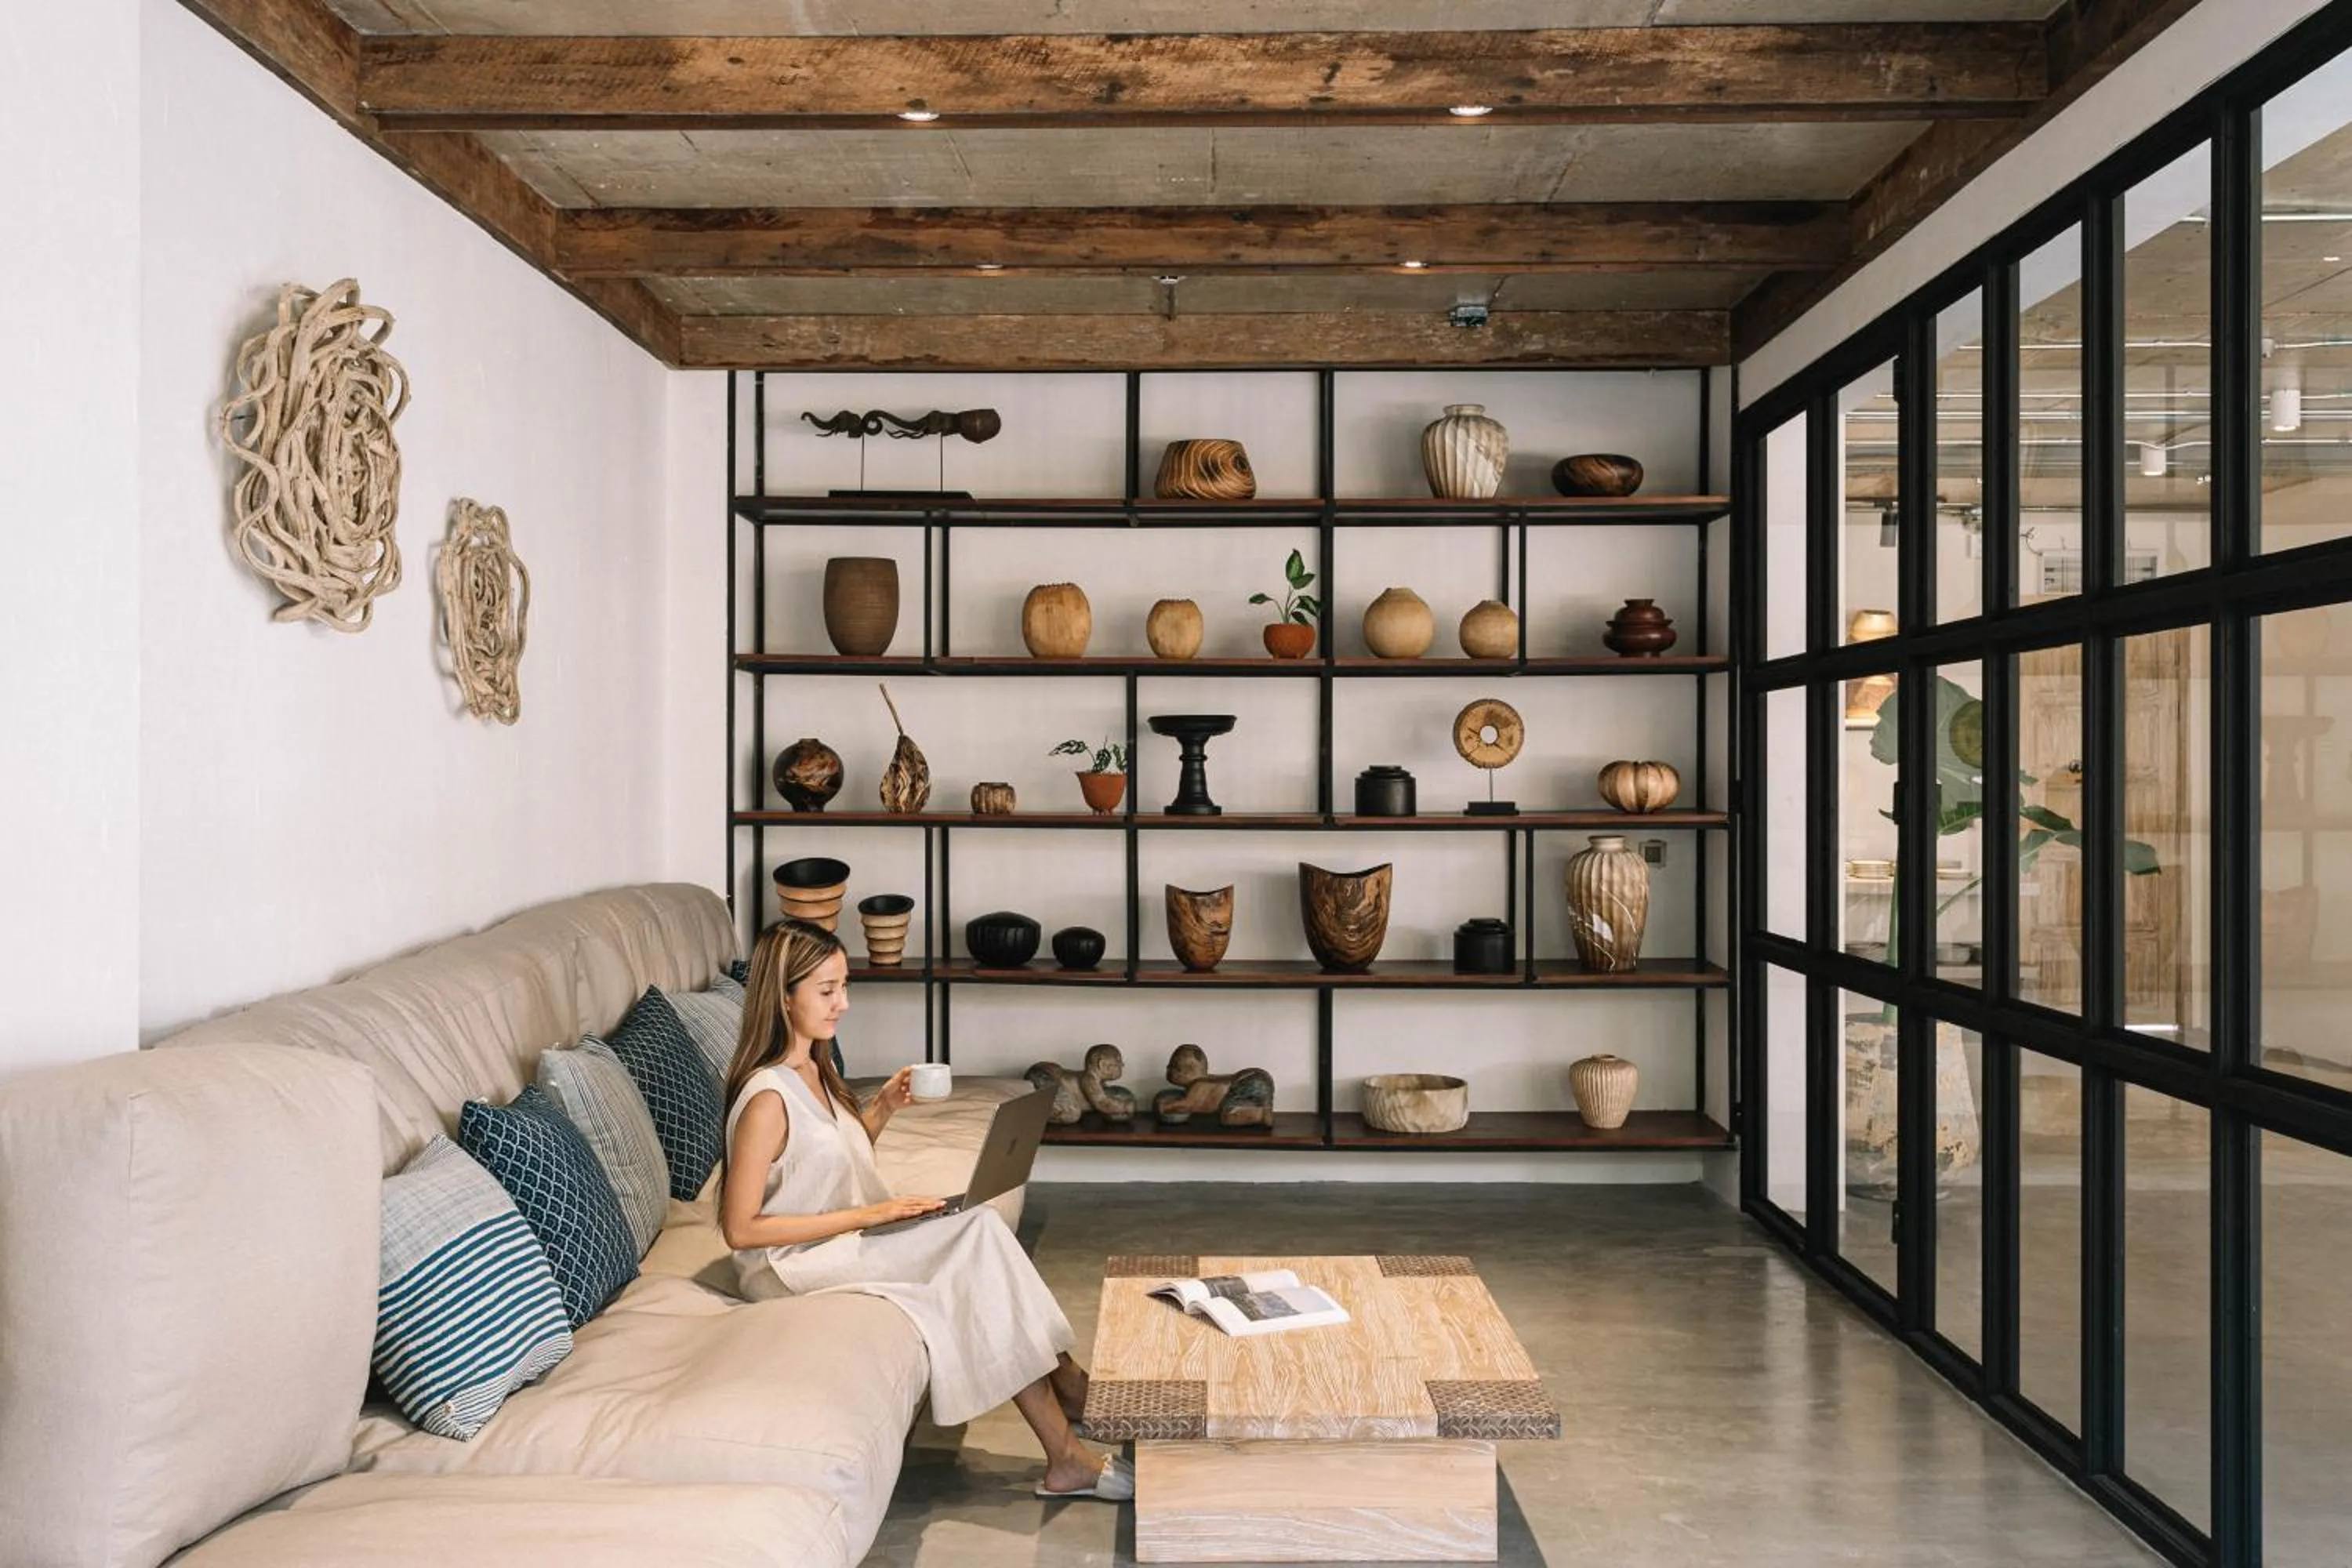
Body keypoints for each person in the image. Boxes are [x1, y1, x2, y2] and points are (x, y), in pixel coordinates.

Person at [718, 917, 1130, 1501]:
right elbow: (740, 1230)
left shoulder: (814, 1068)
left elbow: (823, 1164)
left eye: (844, 986)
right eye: (827, 990)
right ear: (784, 998)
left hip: (835, 1240)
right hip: (788, 1267)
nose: (844, 1004)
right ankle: (1066, 1433)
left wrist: (883, 1106)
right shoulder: (766, 1097)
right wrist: (870, 1218)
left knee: (977, 1227)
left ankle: (1069, 1397)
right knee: (973, 1245)